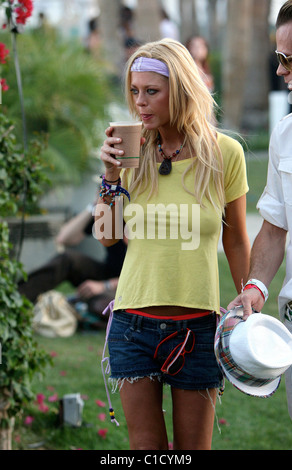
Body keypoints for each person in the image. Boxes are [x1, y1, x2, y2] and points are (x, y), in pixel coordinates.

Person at [95, 38, 250, 450]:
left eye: (151, 91)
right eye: (134, 90)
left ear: (178, 90)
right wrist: (110, 177)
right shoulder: (131, 152)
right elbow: (108, 235)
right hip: (132, 326)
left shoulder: (224, 154)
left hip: (198, 328)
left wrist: (247, 299)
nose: (140, 102)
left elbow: (235, 236)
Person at [227, 0, 292, 418]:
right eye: (279, 58)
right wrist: (256, 287)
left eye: (288, 59)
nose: (280, 70)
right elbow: (273, 228)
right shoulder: (285, 134)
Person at [18, 201, 127, 325]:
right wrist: (93, 206)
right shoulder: (109, 209)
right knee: (68, 259)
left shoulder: (142, 214)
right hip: (109, 273)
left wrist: (105, 285)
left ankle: (83, 309)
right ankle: (14, 301)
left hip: (133, 286)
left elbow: (151, 275)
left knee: (101, 305)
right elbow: (64, 239)